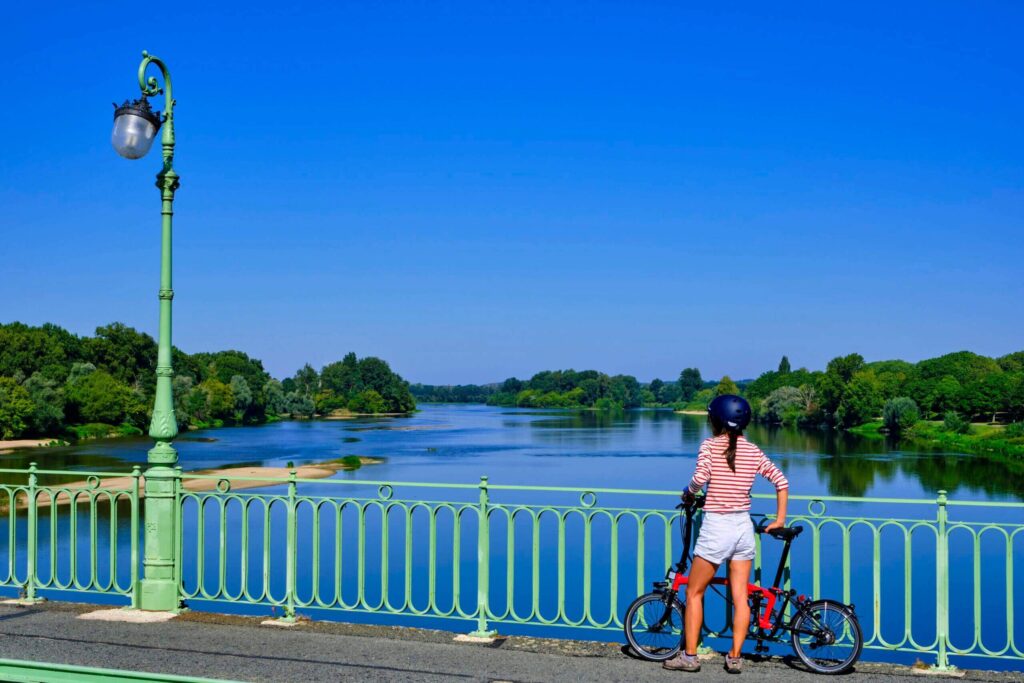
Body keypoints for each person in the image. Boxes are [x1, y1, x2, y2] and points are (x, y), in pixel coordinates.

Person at [663, 394, 789, 674]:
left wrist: (688, 493)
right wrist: (779, 519)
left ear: (716, 420)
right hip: (742, 528)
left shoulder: (709, 446)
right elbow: (781, 481)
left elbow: (700, 477)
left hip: (717, 528)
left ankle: (690, 657)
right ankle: (734, 657)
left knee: (694, 592)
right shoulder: (753, 450)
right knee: (740, 595)